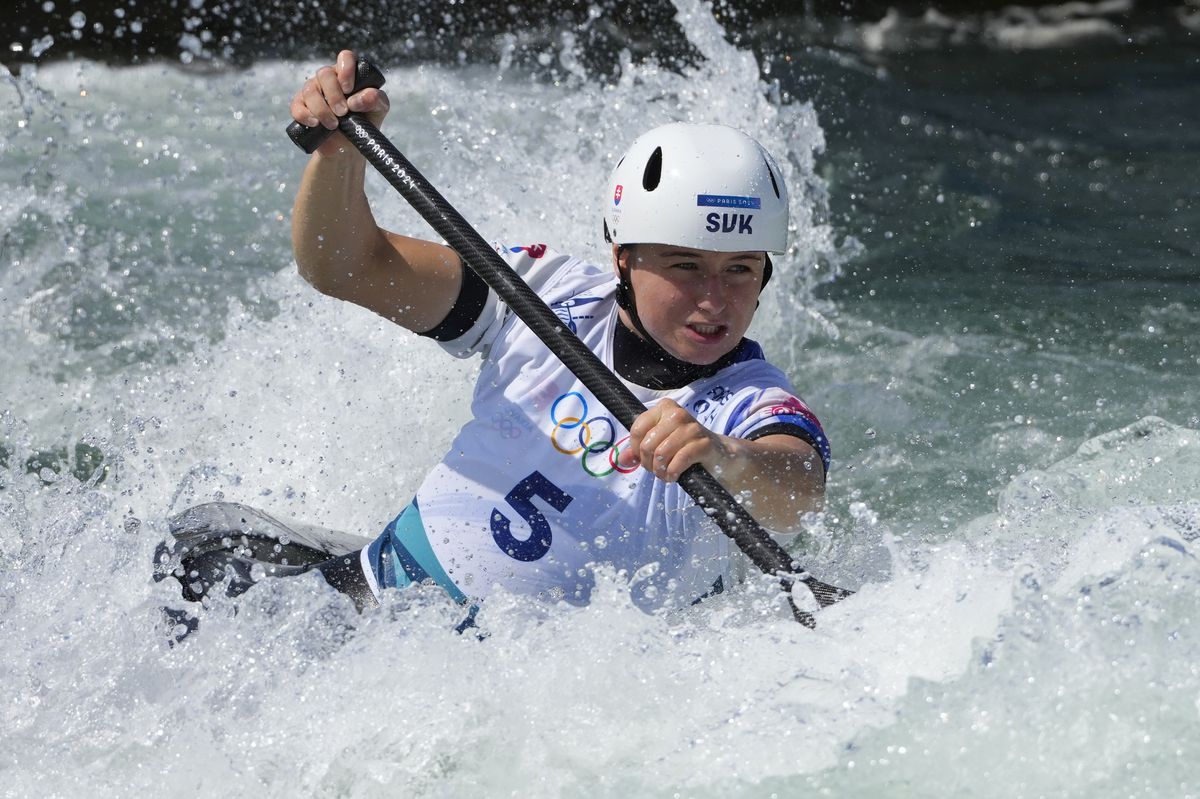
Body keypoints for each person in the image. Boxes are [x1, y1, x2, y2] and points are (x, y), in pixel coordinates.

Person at [281, 50, 830, 613]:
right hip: (364, 603)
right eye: (684, 266)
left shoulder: (751, 403)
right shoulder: (542, 292)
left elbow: (799, 490)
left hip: (510, 689)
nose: (715, 299)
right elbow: (344, 267)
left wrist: (724, 456)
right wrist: (339, 150)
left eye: (740, 268)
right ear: (622, 258)